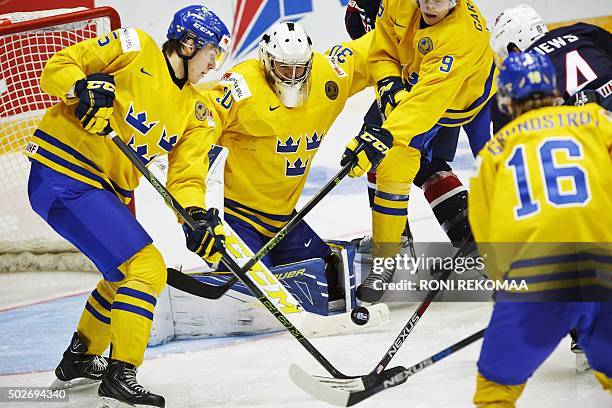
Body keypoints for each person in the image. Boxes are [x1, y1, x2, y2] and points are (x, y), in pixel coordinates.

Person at [25, 6, 230, 407]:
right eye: (211, 53)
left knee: (122, 275)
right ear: (188, 45)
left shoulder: (196, 111)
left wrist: (196, 218)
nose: (213, 64)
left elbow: (186, 178)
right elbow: (58, 65)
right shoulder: (135, 46)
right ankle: (121, 375)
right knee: (147, 267)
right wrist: (81, 89)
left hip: (101, 189)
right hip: (63, 174)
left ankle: (79, 360)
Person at [469, 51, 612, 407]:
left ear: (506, 98)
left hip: (536, 278)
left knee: (495, 390)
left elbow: (488, 241)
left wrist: (509, 288)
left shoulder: (493, 152)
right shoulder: (595, 119)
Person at [203, 21, 378, 300]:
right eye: (284, 68)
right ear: (266, 62)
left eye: (300, 69)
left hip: (281, 219)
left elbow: (375, 46)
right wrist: (198, 211)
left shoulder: (327, 75)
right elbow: (200, 125)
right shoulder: (241, 85)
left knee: (333, 280)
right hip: (233, 215)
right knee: (261, 293)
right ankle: (223, 263)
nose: (293, 76)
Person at [343, 0, 496, 303]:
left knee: (392, 156)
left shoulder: (460, 35)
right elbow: (383, 40)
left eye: (438, 0)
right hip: (419, 83)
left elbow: (426, 104)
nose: (428, 5)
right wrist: (387, 83)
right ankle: (471, 240)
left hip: (457, 97)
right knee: (411, 158)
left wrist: (386, 134)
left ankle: (389, 256)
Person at [490, 4, 612, 131]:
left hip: (581, 129)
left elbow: (505, 140)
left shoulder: (523, 72)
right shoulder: (582, 30)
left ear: (514, 47)